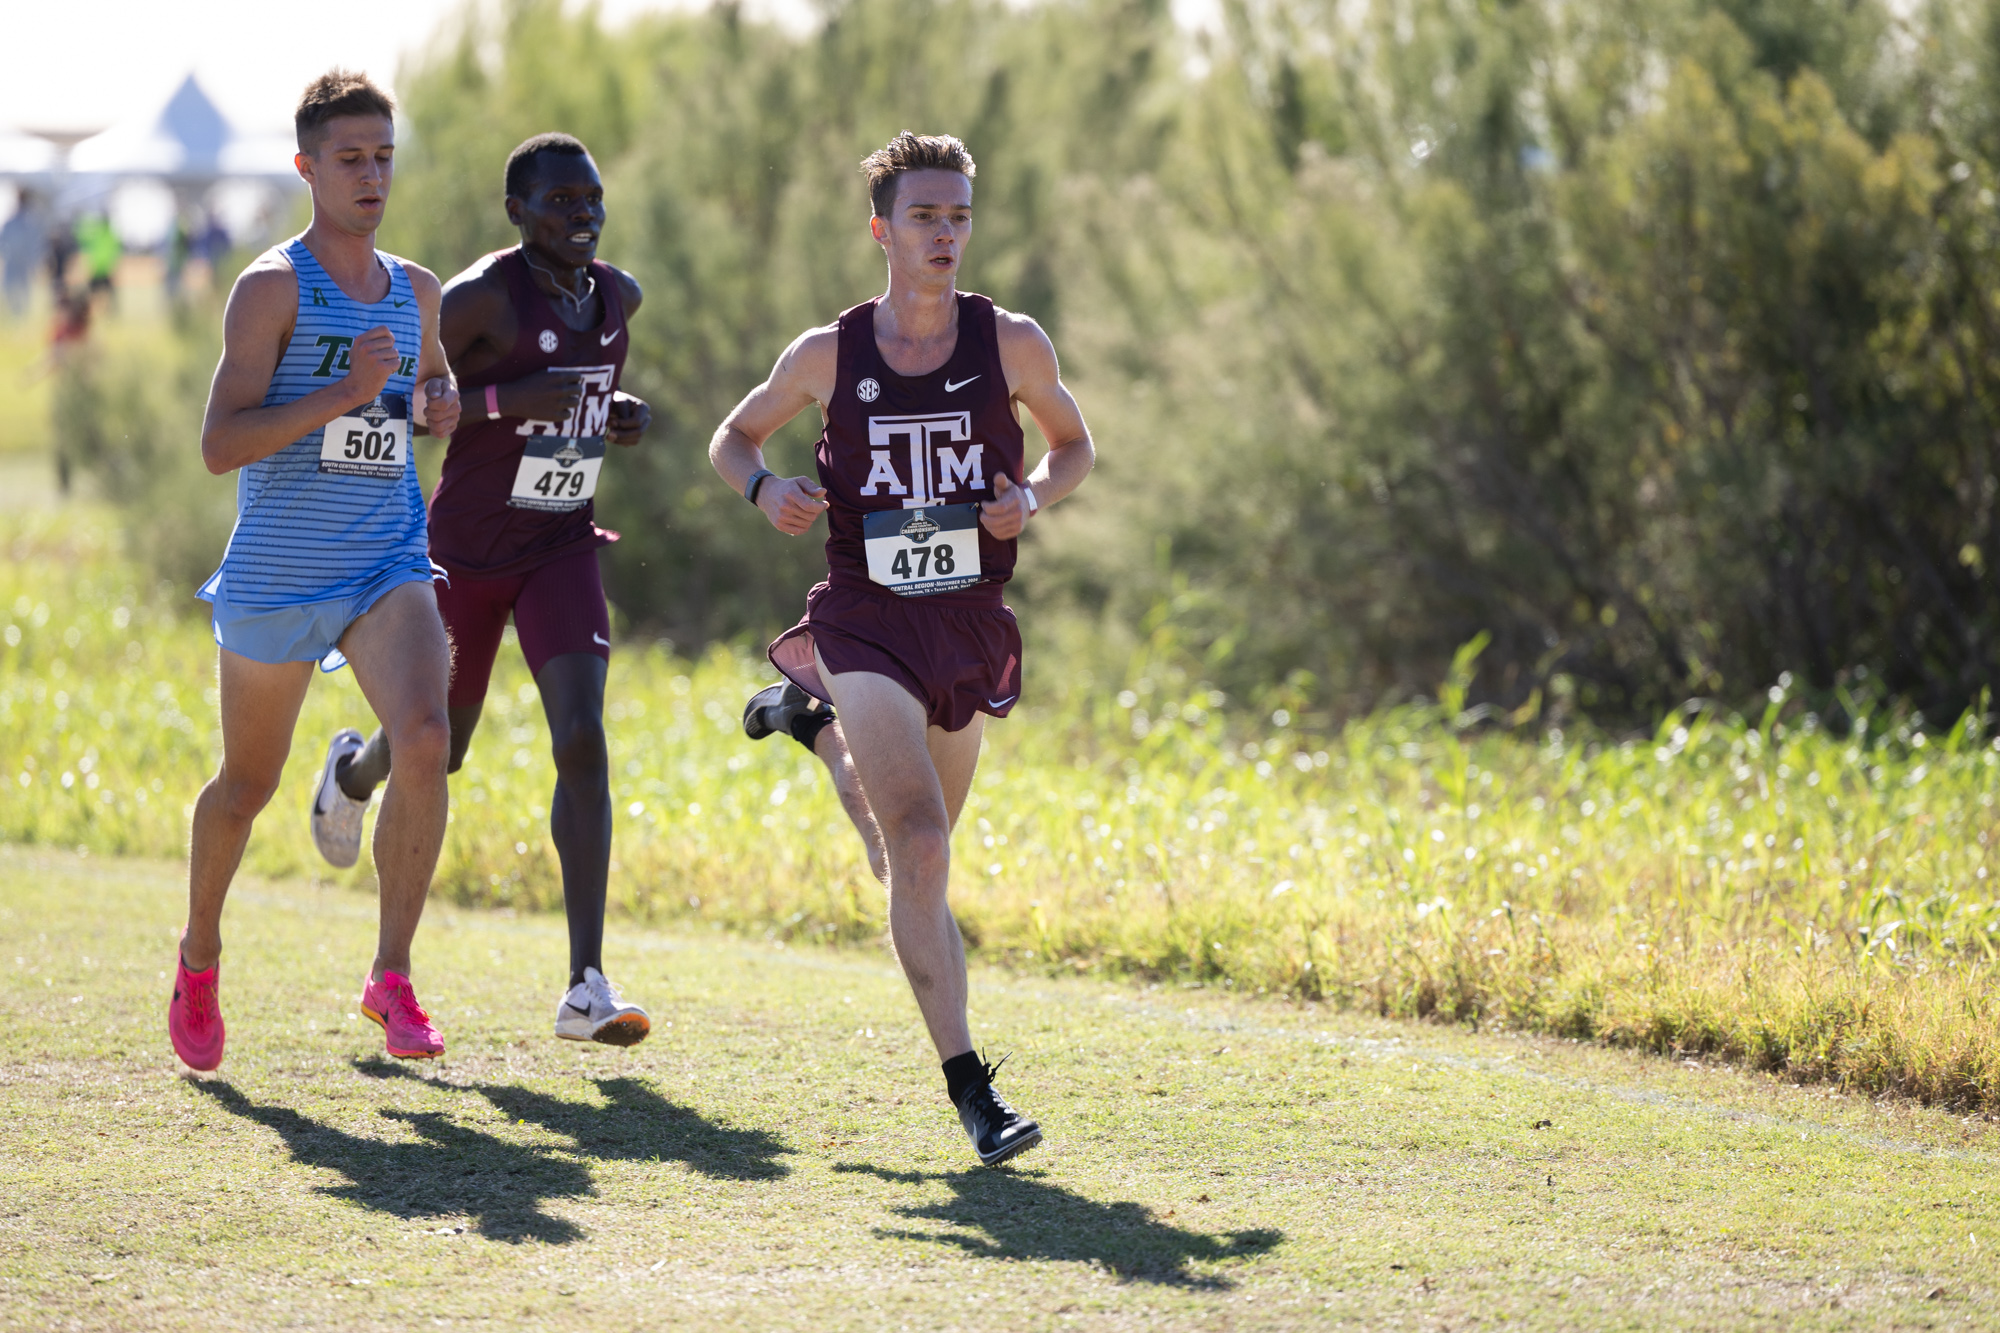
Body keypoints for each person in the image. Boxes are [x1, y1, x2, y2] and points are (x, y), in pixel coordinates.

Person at [710, 131, 1095, 1166]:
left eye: (960, 216)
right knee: (920, 844)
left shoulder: (1011, 342)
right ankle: (974, 1094)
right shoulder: (827, 353)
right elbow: (731, 436)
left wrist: (1031, 497)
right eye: (925, 216)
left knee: (905, 861)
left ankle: (812, 729)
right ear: (881, 230)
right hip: (863, 614)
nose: (946, 234)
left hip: (965, 618)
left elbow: (1074, 446)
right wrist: (765, 488)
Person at [320, 133, 655, 1046]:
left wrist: (611, 415)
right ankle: (351, 772)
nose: (581, 215)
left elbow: (580, 400)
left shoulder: (618, 297)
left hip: (560, 545)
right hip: (463, 555)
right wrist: (510, 402)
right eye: (559, 202)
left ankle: (586, 985)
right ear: (517, 211)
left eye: (591, 200)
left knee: (582, 738)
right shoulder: (476, 300)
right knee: (442, 747)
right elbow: (412, 407)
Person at [169, 70, 462, 1072]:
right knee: (245, 787)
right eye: (350, 158)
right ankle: (200, 955)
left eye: (383, 155)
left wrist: (438, 407)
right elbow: (219, 445)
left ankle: (391, 976)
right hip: (280, 573)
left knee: (425, 737)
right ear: (307, 168)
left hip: (385, 560)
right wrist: (342, 391)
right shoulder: (271, 288)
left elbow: (427, 393)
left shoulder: (420, 290)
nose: (372, 174)